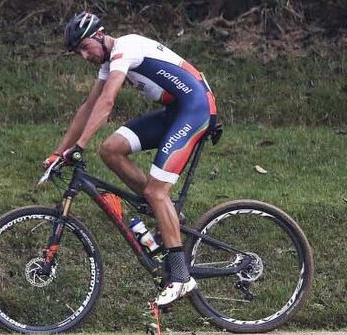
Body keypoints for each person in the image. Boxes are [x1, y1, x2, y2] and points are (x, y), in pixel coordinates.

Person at [47, 11, 218, 307]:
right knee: (110, 149)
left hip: (196, 108)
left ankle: (180, 277)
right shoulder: (109, 61)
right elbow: (88, 107)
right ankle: (164, 212)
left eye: (86, 47)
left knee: (156, 190)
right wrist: (59, 151)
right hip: (176, 111)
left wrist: (80, 146)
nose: (85, 55)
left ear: (100, 35)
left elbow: (107, 103)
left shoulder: (125, 48)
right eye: (79, 53)